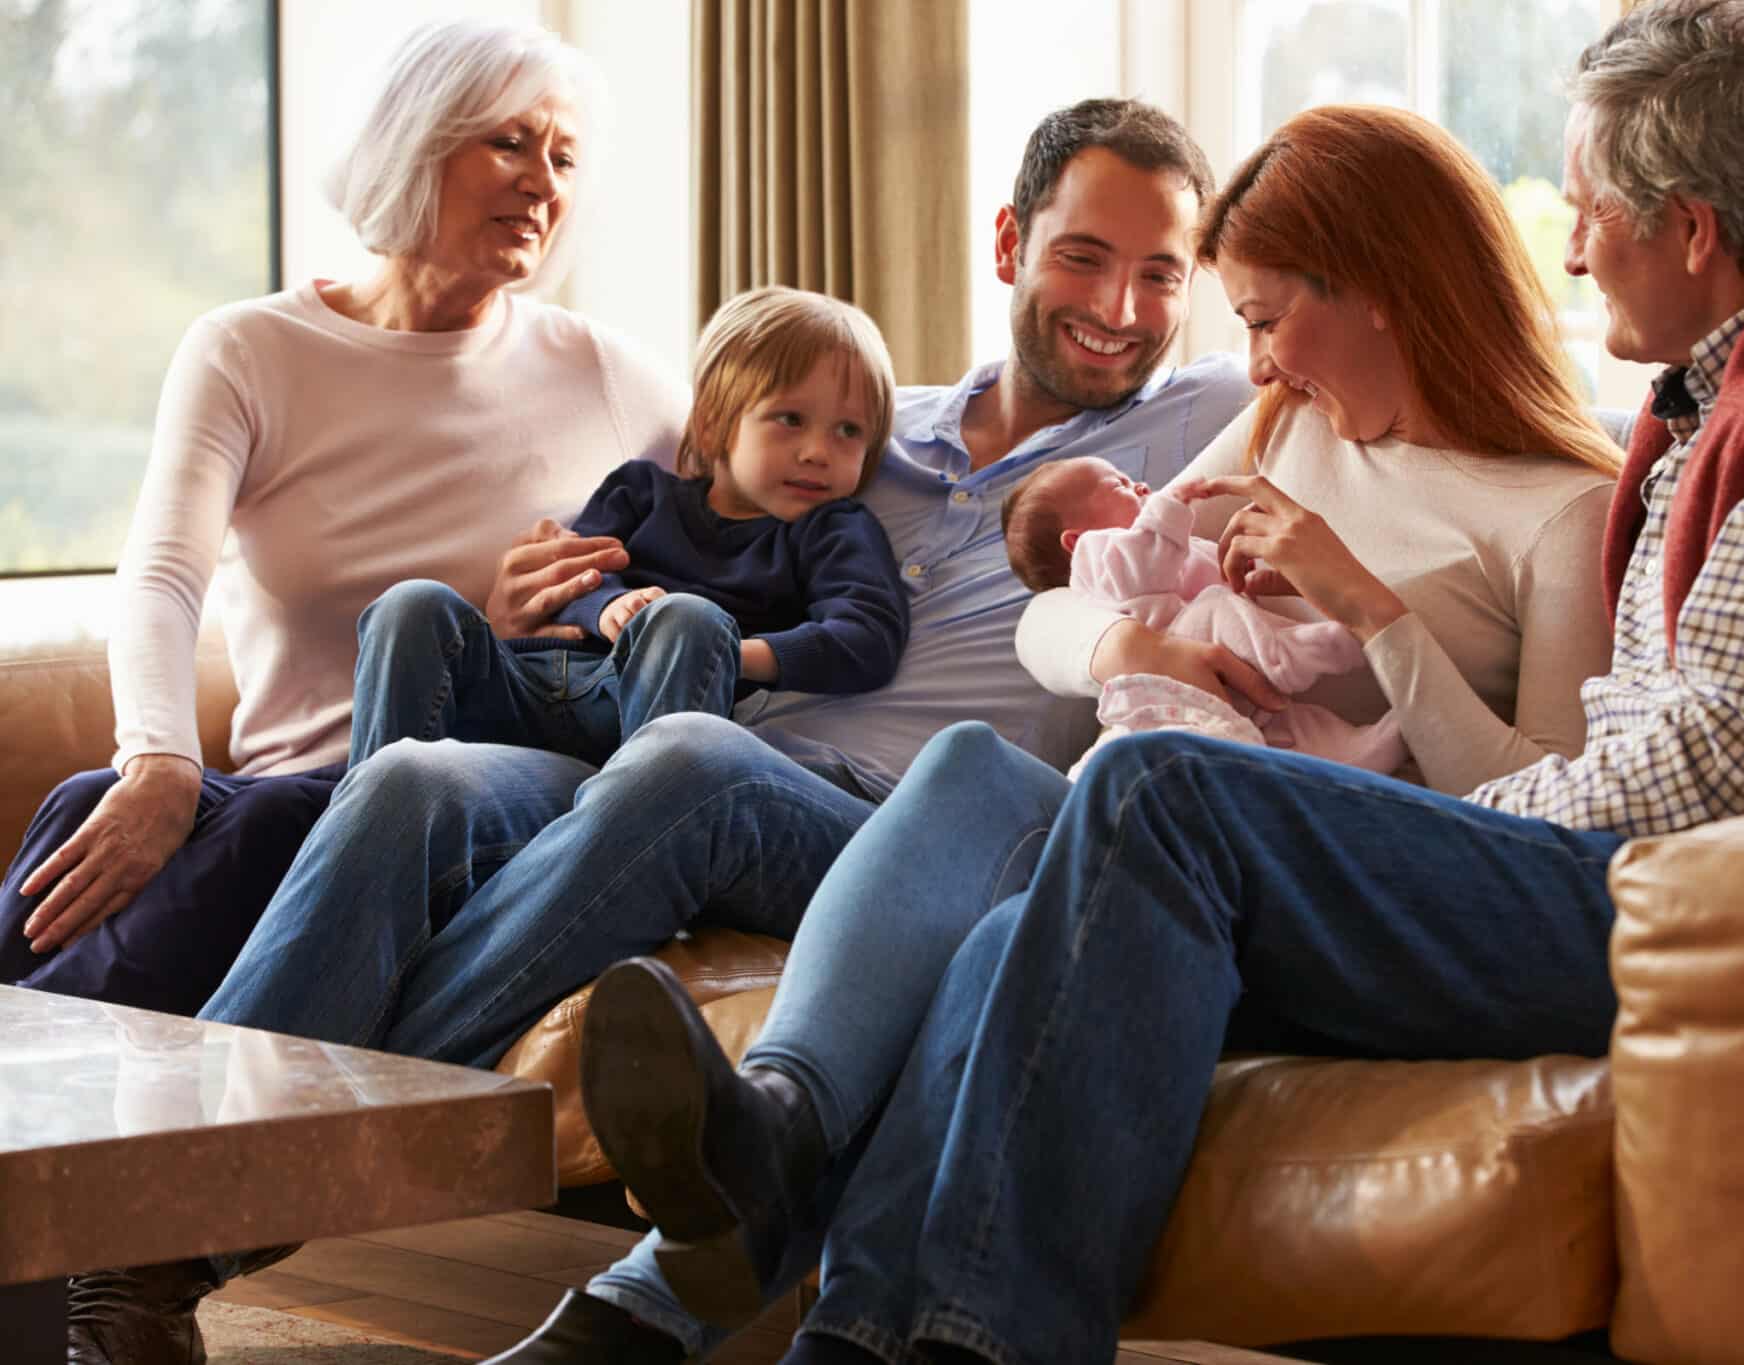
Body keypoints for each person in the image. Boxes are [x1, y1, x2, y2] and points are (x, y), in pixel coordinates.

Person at [565, 3, 1744, 1362]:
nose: (1577, 246)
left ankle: (945, 1320)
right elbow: (1088, 596)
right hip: (1625, 864)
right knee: (1025, 849)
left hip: (1688, 900)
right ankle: (847, 1302)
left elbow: (1713, 777)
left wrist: (1431, 773)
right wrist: (1141, 647)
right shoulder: (1724, 389)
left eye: (1594, 210)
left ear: (1698, 228)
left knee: (1157, 793)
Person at [69, 97, 1255, 1365]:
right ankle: (132, 1243)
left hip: (879, 822)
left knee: (686, 765)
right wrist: (534, 596)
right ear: (1011, 243)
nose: (1119, 308)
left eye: (1159, 276)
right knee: (417, 778)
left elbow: (1361, 352)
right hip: (661, 735)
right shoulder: (862, 418)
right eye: (1085, 256)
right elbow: (652, 509)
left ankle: (175, 1227)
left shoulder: (1197, 422)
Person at [558, 100, 1627, 1365]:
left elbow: (1553, 804)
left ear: (1383, 289)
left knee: (1012, 927)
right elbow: (1069, 598)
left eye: (1269, 319)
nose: (1257, 360)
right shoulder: (1284, 426)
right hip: (1156, 826)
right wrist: (1131, 649)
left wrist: (1372, 612)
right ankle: (784, 1148)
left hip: (1318, 883)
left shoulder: (1563, 511)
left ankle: (686, 1302)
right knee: (970, 776)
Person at [0, 17, 687, 1022]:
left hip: (452, 807)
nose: (545, 182)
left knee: (272, 822)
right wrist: (159, 762)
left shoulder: (608, 376)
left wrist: (571, 622)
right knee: (86, 803)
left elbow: (760, 515)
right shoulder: (249, 350)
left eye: (565, 156)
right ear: (413, 139)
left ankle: (37, 1095)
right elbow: (161, 579)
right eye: (510, 142)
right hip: (280, 796)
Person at [348, 287, 908, 773]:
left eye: (849, 431)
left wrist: (729, 653)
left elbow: (868, 636)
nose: (817, 452)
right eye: (790, 419)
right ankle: (365, 816)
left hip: (640, 712)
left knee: (685, 616)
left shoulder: (833, 529)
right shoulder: (641, 490)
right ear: (714, 424)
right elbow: (570, 578)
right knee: (411, 605)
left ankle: (633, 827)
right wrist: (608, 608)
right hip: (529, 685)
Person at [1002, 455, 1406, 774]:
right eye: (1118, 484)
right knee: (1214, 605)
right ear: (1075, 540)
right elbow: (1148, 565)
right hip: (1179, 654)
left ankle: (1385, 742)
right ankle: (1298, 653)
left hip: (1230, 683)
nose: (1139, 485)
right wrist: (1169, 504)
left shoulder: (1172, 539)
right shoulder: (1100, 560)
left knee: (1306, 736)